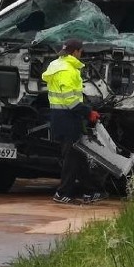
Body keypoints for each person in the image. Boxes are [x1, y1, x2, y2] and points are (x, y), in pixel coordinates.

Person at [41, 38, 105, 204]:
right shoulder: (68, 70)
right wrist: (88, 111)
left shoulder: (55, 65)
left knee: (78, 155)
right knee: (72, 158)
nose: (81, 54)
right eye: (81, 51)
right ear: (75, 51)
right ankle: (63, 193)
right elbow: (71, 101)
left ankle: (92, 191)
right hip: (69, 118)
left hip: (58, 116)